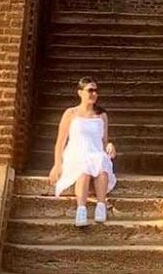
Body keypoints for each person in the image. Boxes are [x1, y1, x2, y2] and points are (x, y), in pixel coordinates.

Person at [48, 77, 117, 227]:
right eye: (90, 90)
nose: (93, 93)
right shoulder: (70, 113)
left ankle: (100, 206)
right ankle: (81, 209)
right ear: (80, 92)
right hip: (76, 153)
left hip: (95, 152)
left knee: (102, 163)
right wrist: (57, 165)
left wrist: (110, 146)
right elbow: (60, 141)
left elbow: (104, 141)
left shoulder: (101, 115)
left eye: (95, 91)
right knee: (84, 168)